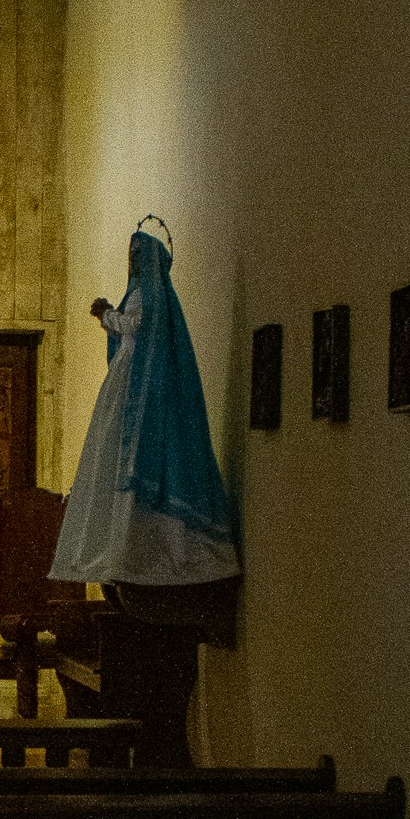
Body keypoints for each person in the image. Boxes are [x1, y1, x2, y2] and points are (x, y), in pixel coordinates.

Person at [49, 216, 239, 586]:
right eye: (131, 257)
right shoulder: (138, 293)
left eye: (138, 256)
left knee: (140, 456)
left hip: (141, 384)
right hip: (129, 379)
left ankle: (157, 554)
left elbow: (136, 327)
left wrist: (105, 314)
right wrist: (109, 315)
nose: (133, 263)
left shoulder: (150, 295)